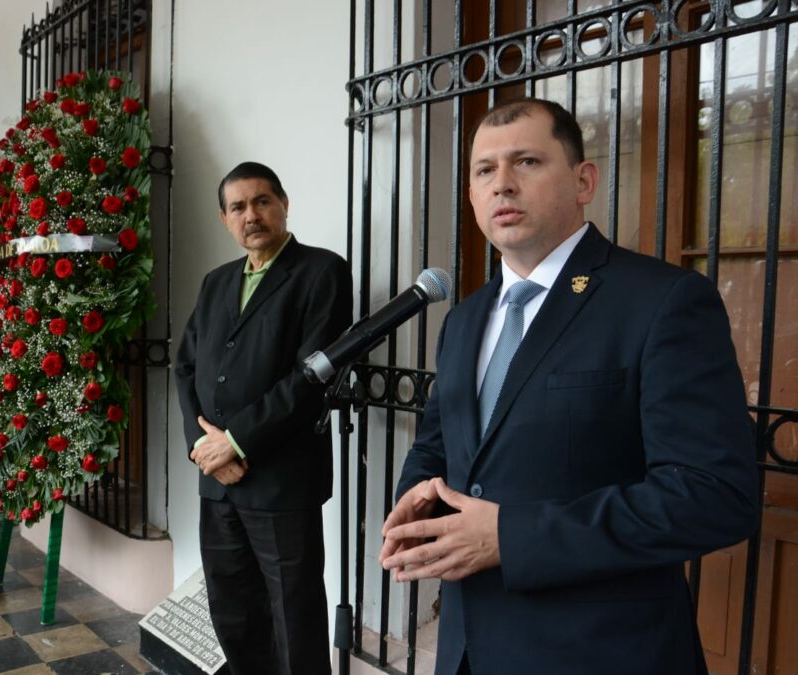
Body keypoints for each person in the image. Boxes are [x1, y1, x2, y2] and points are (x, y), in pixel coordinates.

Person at [378, 98, 759, 675]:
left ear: (584, 180)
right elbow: (441, 443)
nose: (502, 184)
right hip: (467, 648)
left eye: (527, 162)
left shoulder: (661, 302)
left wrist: (512, 536)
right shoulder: (464, 318)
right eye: (484, 171)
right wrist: (418, 504)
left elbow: (713, 496)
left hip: (599, 650)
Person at [176, 162, 353, 675]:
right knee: (232, 613)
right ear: (224, 218)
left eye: (261, 202)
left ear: (283, 204)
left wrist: (237, 442)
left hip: (280, 483)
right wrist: (201, 446)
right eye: (238, 207)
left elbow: (311, 375)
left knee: (293, 621)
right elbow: (185, 365)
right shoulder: (216, 282)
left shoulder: (322, 271)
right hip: (218, 483)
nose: (250, 215)